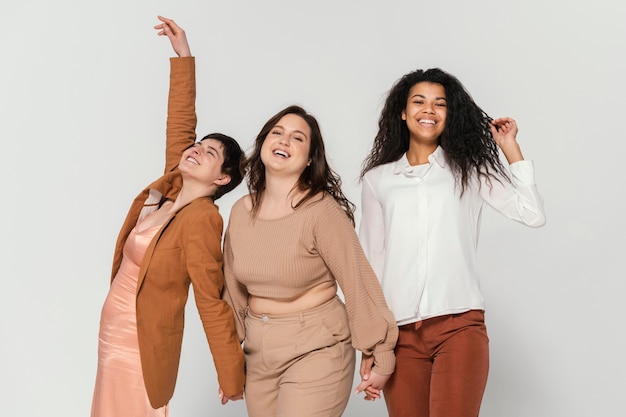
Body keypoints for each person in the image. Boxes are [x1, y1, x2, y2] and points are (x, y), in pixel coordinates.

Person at [358, 68, 546, 417]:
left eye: (439, 104)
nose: (429, 110)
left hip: (459, 326)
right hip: (399, 337)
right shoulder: (378, 180)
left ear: (449, 114)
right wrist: (372, 342)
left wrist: (510, 148)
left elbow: (532, 214)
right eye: (419, 101)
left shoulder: (469, 170)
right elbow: (372, 262)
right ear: (402, 111)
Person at [90, 16, 245, 417]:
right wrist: (184, 57)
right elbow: (180, 125)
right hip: (113, 332)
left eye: (209, 153)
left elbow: (211, 299)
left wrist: (231, 376)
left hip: (140, 345)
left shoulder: (202, 220)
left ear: (223, 178)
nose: (195, 150)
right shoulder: (173, 188)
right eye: (197, 145)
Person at [222, 105, 398, 417]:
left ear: (309, 159)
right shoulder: (240, 211)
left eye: (297, 138)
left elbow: (356, 278)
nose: (284, 141)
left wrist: (381, 351)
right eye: (277, 133)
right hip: (258, 353)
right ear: (263, 143)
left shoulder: (320, 210)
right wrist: (226, 360)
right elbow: (234, 292)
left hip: (316, 347)